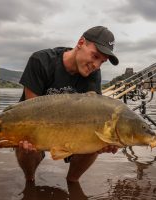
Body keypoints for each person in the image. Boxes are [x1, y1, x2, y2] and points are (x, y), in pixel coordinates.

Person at [16, 26, 119, 183]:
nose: (96, 66)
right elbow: (32, 114)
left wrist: (104, 141)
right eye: (95, 56)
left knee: (96, 140)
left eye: (102, 62)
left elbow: (94, 117)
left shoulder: (93, 75)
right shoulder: (41, 61)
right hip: (36, 125)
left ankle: (72, 181)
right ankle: (29, 181)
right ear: (80, 42)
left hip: (72, 128)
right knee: (27, 145)